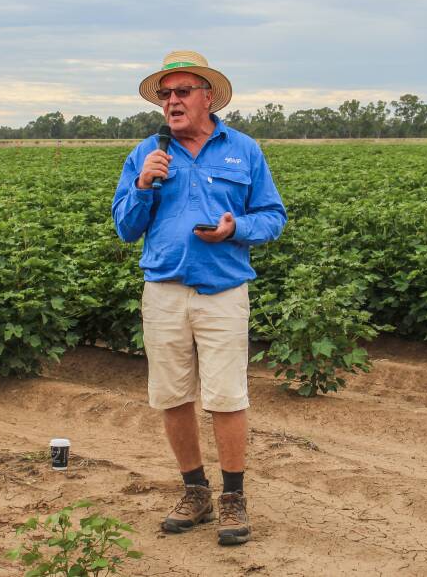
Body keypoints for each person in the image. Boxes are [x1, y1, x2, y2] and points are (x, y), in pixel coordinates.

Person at [111, 50, 287, 546]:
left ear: (208, 97)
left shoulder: (243, 150)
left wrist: (237, 228)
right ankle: (195, 491)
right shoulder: (146, 153)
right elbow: (125, 228)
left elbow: (273, 216)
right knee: (172, 396)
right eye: (165, 94)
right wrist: (143, 183)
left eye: (182, 91)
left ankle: (233, 498)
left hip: (223, 292)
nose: (172, 101)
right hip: (163, 291)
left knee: (227, 397)